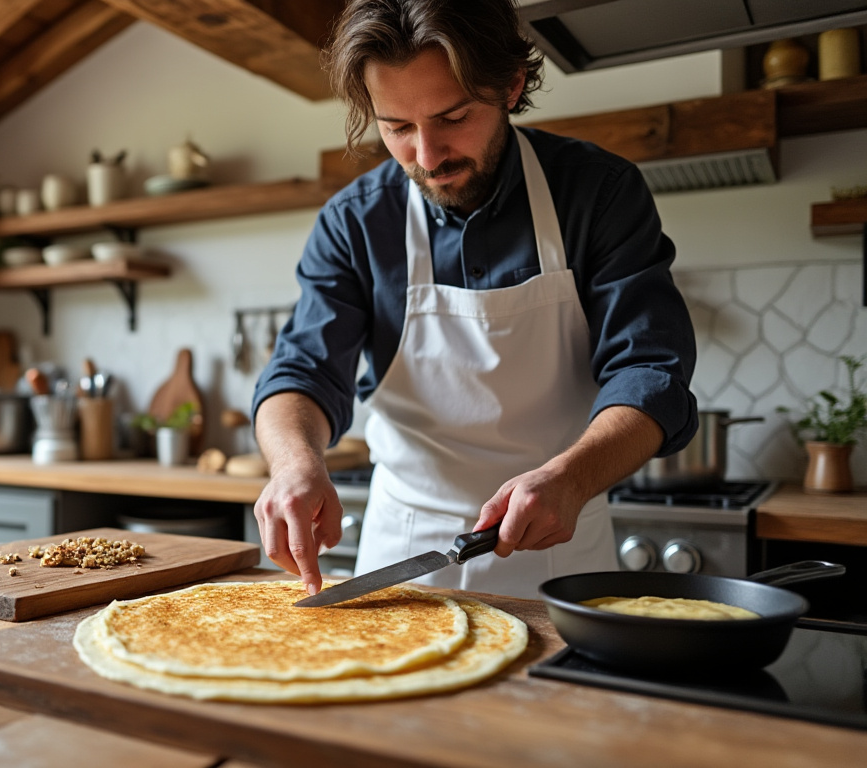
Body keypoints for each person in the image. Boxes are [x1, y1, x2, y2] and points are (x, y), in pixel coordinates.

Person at [251, 0, 698, 600]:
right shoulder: (355, 222)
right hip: (405, 553)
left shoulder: (599, 194)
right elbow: (302, 371)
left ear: (511, 85)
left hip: (560, 546)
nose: (428, 157)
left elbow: (650, 371)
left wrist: (570, 476)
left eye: (454, 117)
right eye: (398, 128)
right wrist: (293, 463)